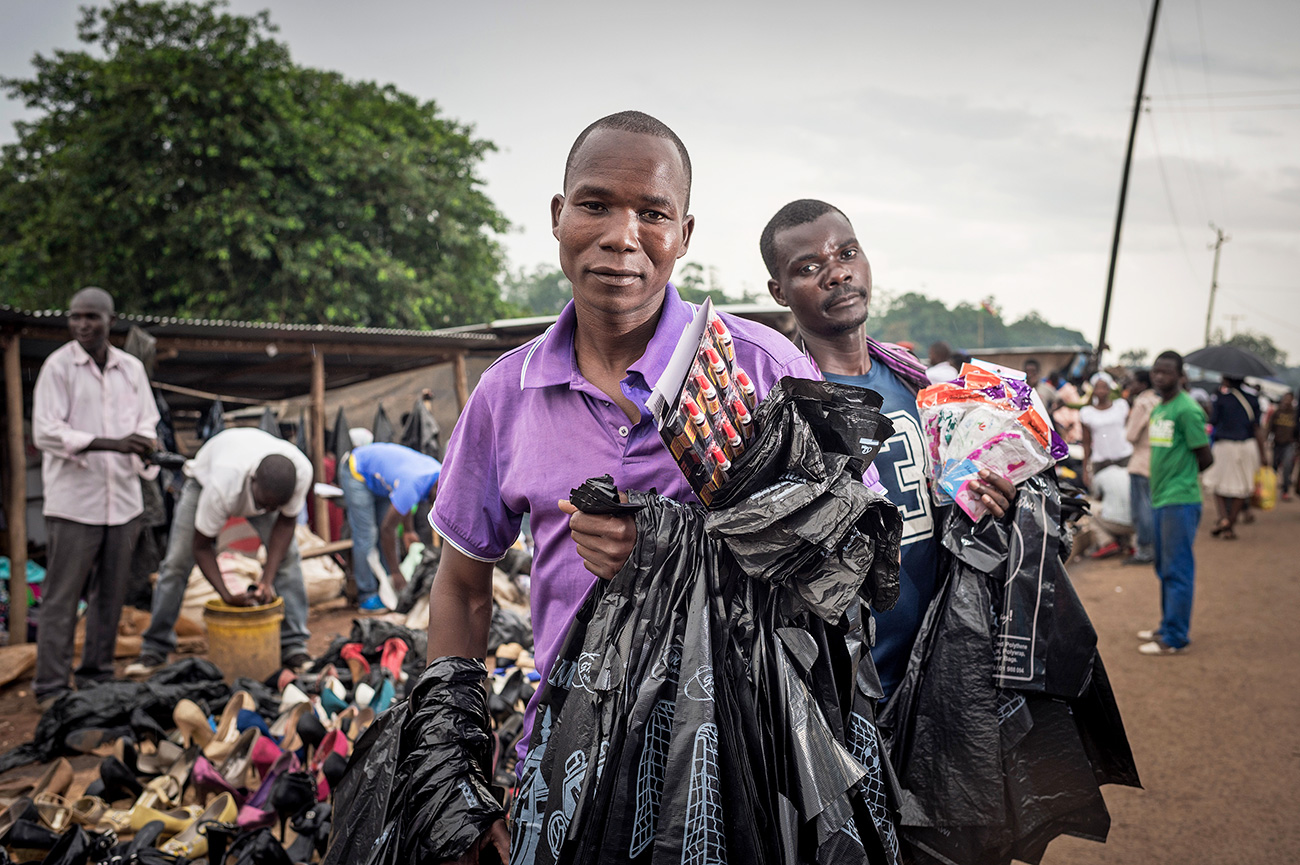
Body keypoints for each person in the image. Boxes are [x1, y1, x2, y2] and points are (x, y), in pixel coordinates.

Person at [425, 111, 835, 863]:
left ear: (683, 232)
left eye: (651, 213)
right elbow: (461, 587)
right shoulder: (504, 393)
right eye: (595, 204)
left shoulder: (763, 371)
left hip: (746, 755)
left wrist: (677, 542)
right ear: (558, 217)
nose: (622, 236)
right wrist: (456, 772)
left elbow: (849, 560)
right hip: (571, 753)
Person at [759, 198, 1015, 700]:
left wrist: (988, 501)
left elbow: (952, 505)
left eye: (847, 254)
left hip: (939, 662)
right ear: (779, 291)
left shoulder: (917, 386)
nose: (836, 274)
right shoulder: (784, 407)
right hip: (843, 682)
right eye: (809, 268)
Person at [31, 287, 160, 709]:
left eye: (91, 317)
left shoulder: (132, 370)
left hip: (123, 501)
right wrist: (113, 444)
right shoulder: (59, 367)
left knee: (111, 594)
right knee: (62, 596)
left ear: (110, 320)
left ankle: (96, 676)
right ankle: (51, 686)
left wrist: (143, 445)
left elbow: (148, 422)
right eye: (75, 317)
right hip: (74, 504)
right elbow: (46, 432)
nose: (82, 325)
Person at [125, 427, 315, 676]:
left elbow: (286, 523)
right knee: (175, 564)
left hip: (253, 475)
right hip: (203, 480)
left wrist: (266, 580)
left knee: (288, 559)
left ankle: (293, 645)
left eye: (275, 506)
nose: (268, 511)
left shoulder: (300, 473)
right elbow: (201, 547)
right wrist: (226, 594)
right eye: (264, 504)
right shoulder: (222, 486)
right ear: (252, 480)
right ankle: (155, 649)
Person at [1139, 350, 1213, 656]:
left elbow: (1206, 457)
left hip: (1180, 499)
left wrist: (1180, 477)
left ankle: (1175, 636)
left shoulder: (1187, 410)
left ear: (1181, 376)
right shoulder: (1159, 408)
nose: (1159, 377)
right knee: (1164, 566)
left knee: (1177, 568)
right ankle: (1168, 623)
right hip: (1160, 498)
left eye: (1166, 372)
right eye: (1156, 371)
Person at [339, 441, 440, 612]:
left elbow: (404, 501)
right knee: (367, 535)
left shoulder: (439, 473)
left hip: (382, 480)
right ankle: (367, 595)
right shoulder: (416, 482)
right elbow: (388, 529)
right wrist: (396, 573)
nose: (436, 504)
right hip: (358, 470)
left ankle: (389, 587)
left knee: (386, 533)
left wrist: (408, 530)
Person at [1204, 376, 1264, 540]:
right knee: (1242, 488)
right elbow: (1257, 427)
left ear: (1226, 380)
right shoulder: (1252, 399)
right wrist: (1263, 454)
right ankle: (1230, 523)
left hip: (1225, 446)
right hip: (1247, 446)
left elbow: (1213, 421)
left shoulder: (1221, 399)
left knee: (1217, 485)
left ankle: (1224, 519)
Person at [1124, 369, 1160, 564]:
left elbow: (1130, 435)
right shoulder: (1160, 401)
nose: (1131, 386)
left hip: (1140, 461)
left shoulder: (1142, 403)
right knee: (1153, 506)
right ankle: (1155, 548)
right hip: (1157, 461)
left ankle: (1145, 550)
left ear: (1143, 384)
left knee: (1142, 509)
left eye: (1134, 382)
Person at [1078, 371, 1133, 490]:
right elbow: (1086, 443)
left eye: (1104, 387)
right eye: (1097, 387)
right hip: (1101, 462)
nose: (1101, 391)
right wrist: (1085, 470)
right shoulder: (1087, 413)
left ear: (1109, 389)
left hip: (1123, 459)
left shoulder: (1121, 406)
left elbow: (1131, 431)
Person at [1086, 465, 1134, 559]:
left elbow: (1096, 497)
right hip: (1137, 524)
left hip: (1114, 523)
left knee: (1088, 506)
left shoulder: (1100, 476)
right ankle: (1134, 544)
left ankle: (1107, 543)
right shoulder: (1128, 472)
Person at [1266, 391, 1296, 502]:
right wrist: (1266, 439)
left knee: (1287, 467)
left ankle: (1285, 491)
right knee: (1274, 466)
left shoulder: (1294, 413)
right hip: (1277, 443)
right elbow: (1269, 427)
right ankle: (1270, 490)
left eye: (1289, 399)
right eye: (1285, 398)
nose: (1286, 401)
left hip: (1289, 444)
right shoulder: (1277, 412)